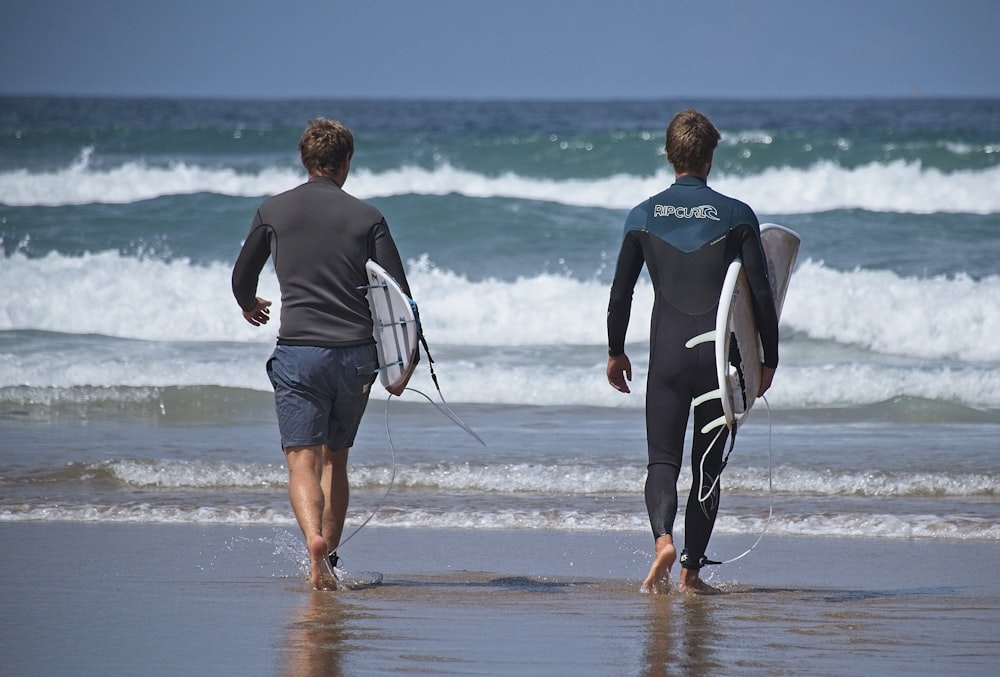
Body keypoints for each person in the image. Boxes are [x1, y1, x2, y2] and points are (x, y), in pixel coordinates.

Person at [232, 118, 413, 590]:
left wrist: (250, 305)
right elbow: (399, 298)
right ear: (346, 161)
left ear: (304, 160)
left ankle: (312, 540)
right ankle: (329, 557)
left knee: (302, 461)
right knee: (336, 460)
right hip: (354, 357)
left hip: (297, 353)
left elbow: (241, 278)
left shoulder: (273, 210)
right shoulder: (367, 216)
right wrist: (404, 362)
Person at [605, 109, 778, 593]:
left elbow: (622, 295)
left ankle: (663, 539)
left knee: (662, 462)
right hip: (718, 360)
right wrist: (768, 359)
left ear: (669, 155)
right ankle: (690, 572)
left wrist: (616, 352)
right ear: (710, 155)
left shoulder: (642, 215)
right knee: (707, 463)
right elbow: (761, 293)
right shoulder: (738, 215)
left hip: (667, 356)